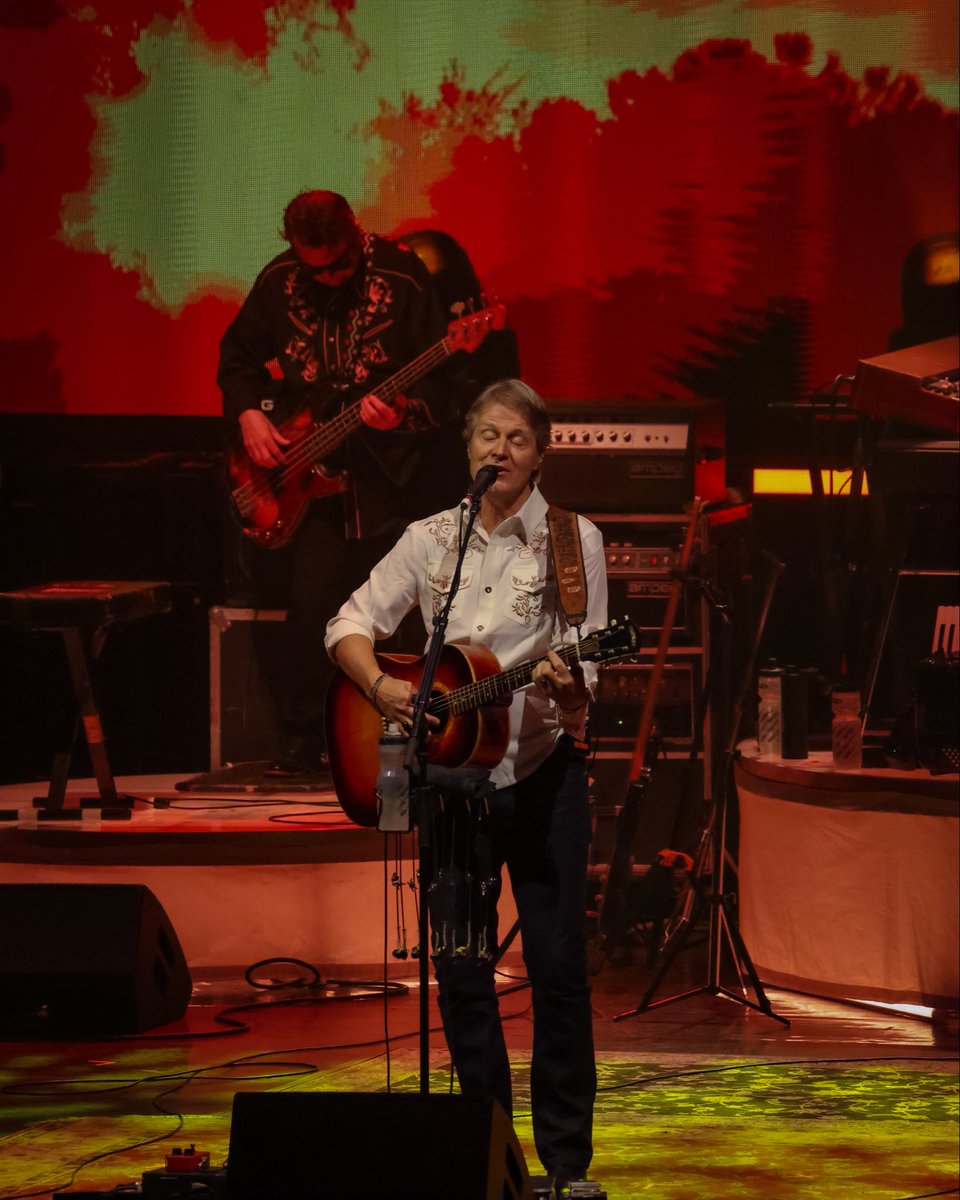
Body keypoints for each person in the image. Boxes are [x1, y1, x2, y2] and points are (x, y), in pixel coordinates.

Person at [325, 379, 607, 1194]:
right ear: (469, 447)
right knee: (458, 974)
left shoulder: (571, 539)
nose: (500, 451)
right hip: (452, 783)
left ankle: (564, 1165)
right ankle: (491, 1155)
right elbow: (347, 623)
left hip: (545, 779)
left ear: (541, 453)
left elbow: (584, 654)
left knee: (557, 971)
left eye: (517, 438)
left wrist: (568, 684)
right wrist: (383, 688)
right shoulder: (430, 539)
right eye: (488, 435)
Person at [217, 190, 449, 772]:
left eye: (338, 264)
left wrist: (404, 413)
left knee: (414, 611)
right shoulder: (279, 281)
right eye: (312, 267)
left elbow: (449, 379)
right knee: (312, 608)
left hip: (391, 478)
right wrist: (249, 413)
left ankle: (425, 733)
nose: (325, 278)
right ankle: (307, 740)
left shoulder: (403, 275)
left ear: (354, 233)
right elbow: (237, 356)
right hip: (312, 478)